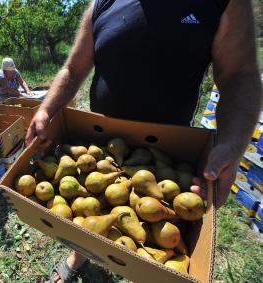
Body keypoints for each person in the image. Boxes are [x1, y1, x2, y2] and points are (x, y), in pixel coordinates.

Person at [25, 1, 263, 282]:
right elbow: (73, 69)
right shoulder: (103, 2)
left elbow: (239, 74)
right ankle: (82, 252)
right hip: (100, 149)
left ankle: (151, 264)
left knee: (159, 232)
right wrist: (45, 109)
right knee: (95, 212)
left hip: (168, 150)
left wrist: (232, 147)